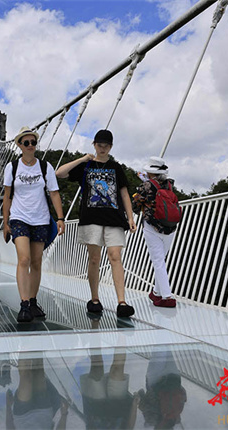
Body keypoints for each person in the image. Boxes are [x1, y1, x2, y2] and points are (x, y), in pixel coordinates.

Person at [56, 130, 137, 318]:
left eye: (106, 145)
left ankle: (121, 302)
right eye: (99, 145)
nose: (102, 148)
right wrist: (82, 159)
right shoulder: (86, 166)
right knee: (94, 258)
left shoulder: (116, 168)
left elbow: (124, 193)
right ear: (94, 144)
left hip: (114, 218)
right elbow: (59, 173)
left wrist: (130, 218)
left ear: (111, 147)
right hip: (91, 218)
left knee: (115, 256)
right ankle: (94, 299)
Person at [2, 127, 65, 323]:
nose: (30, 146)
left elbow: (54, 193)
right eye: (26, 142)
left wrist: (60, 218)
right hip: (19, 217)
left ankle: (33, 301)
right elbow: (7, 196)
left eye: (33, 142)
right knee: (24, 259)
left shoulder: (45, 167)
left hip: (41, 219)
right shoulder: (12, 167)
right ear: (19, 145)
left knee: (36, 261)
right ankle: (23, 304)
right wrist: (5, 222)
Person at [133, 157, 179, 308]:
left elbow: (135, 206)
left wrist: (138, 193)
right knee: (161, 261)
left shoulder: (146, 185)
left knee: (158, 261)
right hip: (170, 227)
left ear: (150, 172)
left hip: (152, 226)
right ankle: (156, 292)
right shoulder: (170, 184)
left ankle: (167, 297)